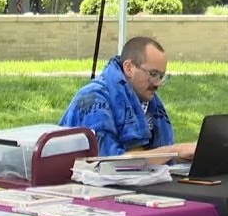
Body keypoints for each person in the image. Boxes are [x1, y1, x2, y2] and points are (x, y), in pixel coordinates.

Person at [60, 36, 196, 160]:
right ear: (129, 68)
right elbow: (108, 161)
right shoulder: (93, 100)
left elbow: (159, 157)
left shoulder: (149, 101)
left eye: (161, 76)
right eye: (153, 74)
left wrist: (189, 155)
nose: (158, 83)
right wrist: (174, 151)